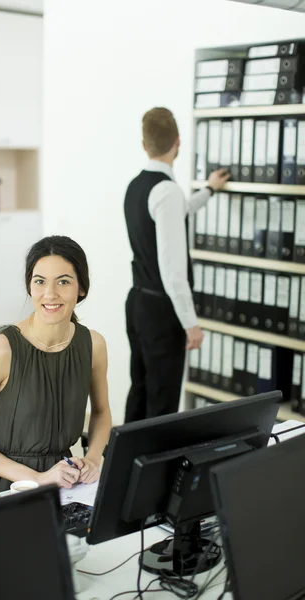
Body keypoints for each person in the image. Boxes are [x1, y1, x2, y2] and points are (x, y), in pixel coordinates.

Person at [0, 235, 112, 497]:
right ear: (30, 286)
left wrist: (94, 458)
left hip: (66, 481)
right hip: (7, 486)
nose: (50, 294)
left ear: (81, 288)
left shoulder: (93, 344)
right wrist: (38, 478)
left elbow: (101, 412)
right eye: (40, 281)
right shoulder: (0, 349)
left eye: (63, 281)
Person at [124, 107, 230, 423]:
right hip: (161, 312)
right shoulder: (167, 191)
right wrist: (191, 322)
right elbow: (173, 270)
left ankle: (124, 467)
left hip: (138, 303)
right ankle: (155, 471)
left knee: (141, 389)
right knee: (163, 400)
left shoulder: (137, 186)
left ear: (145, 145)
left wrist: (209, 190)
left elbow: (179, 211)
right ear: (178, 143)